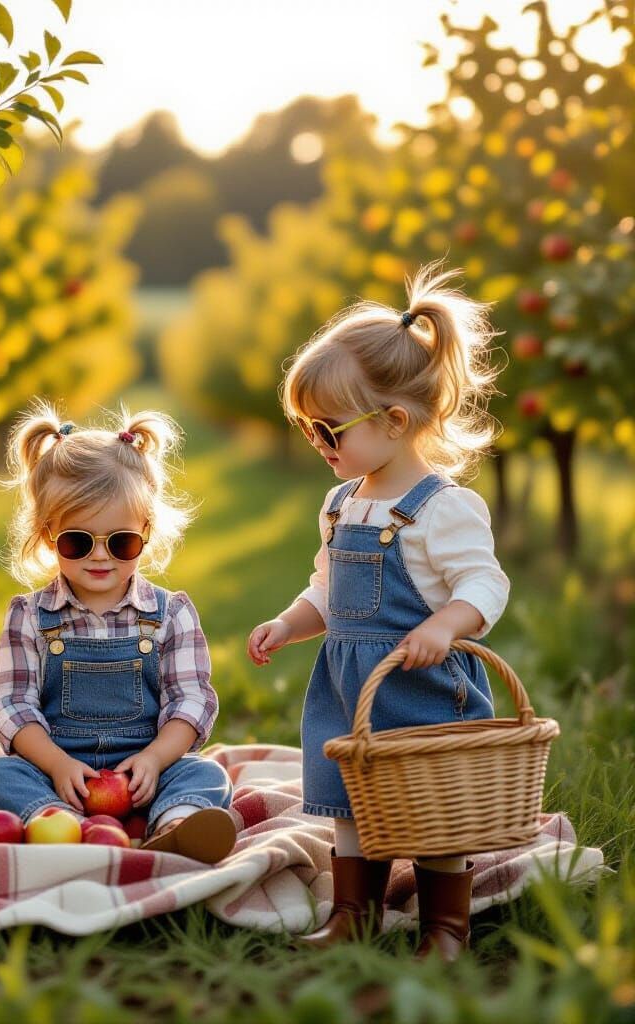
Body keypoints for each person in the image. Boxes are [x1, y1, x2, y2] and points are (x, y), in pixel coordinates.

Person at [247, 264, 510, 960]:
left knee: (433, 809)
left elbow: (485, 586)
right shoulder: (340, 504)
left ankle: (446, 928)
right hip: (348, 691)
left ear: (394, 422)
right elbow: (329, 593)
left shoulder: (441, 509)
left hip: (418, 692)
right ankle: (352, 915)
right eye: (307, 429)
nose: (317, 443)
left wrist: (443, 625)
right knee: (349, 802)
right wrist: (290, 622)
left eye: (329, 429)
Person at [0, 404, 235, 863]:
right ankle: (58, 821)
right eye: (78, 541)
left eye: (121, 542)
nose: (100, 557)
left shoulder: (170, 614)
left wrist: (154, 760)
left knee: (205, 775)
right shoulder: (30, 617)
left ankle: (173, 824)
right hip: (57, 770)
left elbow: (190, 701)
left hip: (144, 775)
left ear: (146, 532)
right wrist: (56, 765)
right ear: (49, 535)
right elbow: (13, 703)